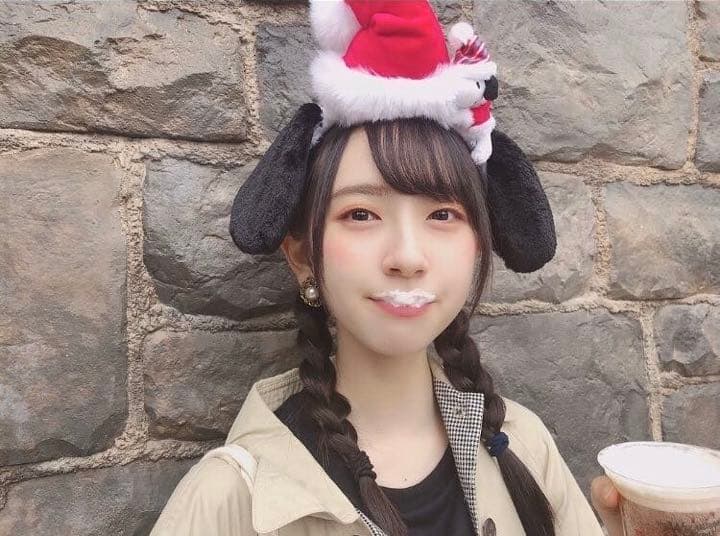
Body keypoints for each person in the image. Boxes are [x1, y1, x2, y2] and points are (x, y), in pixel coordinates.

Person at [150, 1, 623, 535]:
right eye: (361, 214)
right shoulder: (229, 500)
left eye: (442, 214)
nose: (407, 257)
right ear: (302, 255)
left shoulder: (526, 445)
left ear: (478, 243)